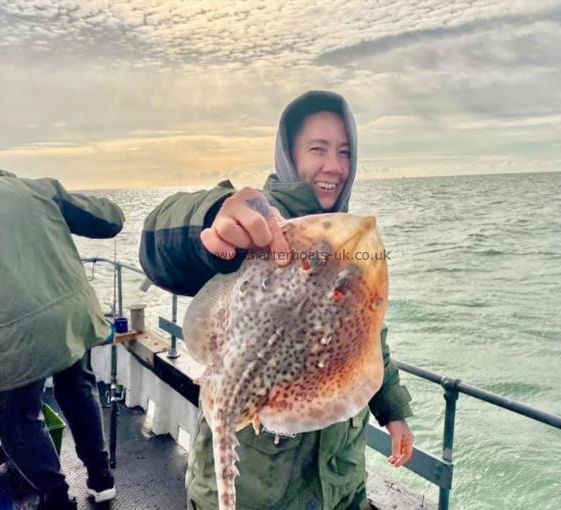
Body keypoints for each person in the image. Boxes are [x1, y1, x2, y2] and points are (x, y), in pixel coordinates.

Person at [140, 90, 414, 510]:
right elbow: (160, 246)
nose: (333, 166)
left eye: (344, 152)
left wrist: (393, 411)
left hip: (338, 482)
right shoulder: (258, 224)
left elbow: (368, 336)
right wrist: (213, 217)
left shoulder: (347, 241)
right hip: (255, 488)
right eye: (317, 149)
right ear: (289, 155)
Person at [0, 139, 125, 509]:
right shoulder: (37, 188)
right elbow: (111, 220)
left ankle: (55, 498)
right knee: (77, 387)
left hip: (10, 329)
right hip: (73, 314)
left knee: (18, 416)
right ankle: (102, 478)